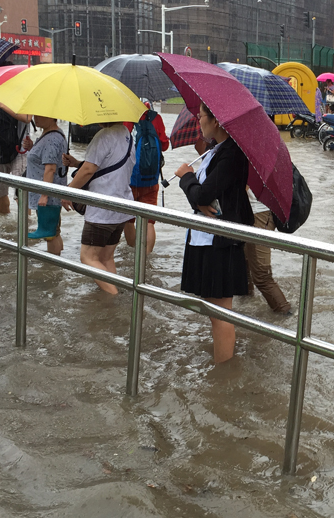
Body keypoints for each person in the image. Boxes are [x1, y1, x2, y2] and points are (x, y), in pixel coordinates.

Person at [174, 102, 253, 363]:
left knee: (221, 312)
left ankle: (225, 372)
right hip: (205, 238)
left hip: (221, 241)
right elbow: (199, 198)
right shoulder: (214, 150)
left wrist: (186, 178)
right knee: (213, 309)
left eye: (201, 117)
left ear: (215, 120)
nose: (198, 122)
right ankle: (224, 365)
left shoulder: (232, 153)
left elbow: (204, 194)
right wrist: (195, 192)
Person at [61, 122, 135, 295]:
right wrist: (78, 163)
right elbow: (107, 165)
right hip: (121, 207)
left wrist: (68, 191)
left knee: (87, 257)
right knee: (106, 257)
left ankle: (113, 296)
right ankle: (110, 300)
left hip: (102, 211)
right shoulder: (127, 135)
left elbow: (89, 169)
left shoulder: (103, 136)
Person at [122, 100, 170, 254]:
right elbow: (164, 145)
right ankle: (146, 257)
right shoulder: (156, 118)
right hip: (151, 179)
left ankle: (134, 256)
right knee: (149, 221)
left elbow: (122, 144)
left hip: (130, 179)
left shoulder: (128, 118)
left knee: (128, 219)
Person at [22, 115, 67, 256]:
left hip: (49, 194)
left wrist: (44, 195)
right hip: (51, 192)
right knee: (54, 231)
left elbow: (50, 168)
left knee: (50, 234)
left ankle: (54, 266)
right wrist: (32, 148)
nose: (36, 118)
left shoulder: (51, 138)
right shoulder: (49, 134)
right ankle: (57, 263)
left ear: (52, 116)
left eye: (40, 115)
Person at [245, 188, 291, 315]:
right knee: (244, 264)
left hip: (259, 214)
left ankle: (285, 315)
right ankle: (245, 304)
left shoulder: (255, 167)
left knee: (261, 275)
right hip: (251, 213)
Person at [0, 96, 30, 214]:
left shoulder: (26, 95)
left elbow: (27, 118)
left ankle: (26, 225)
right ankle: (5, 222)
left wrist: (2, 104)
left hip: (20, 147)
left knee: (21, 190)